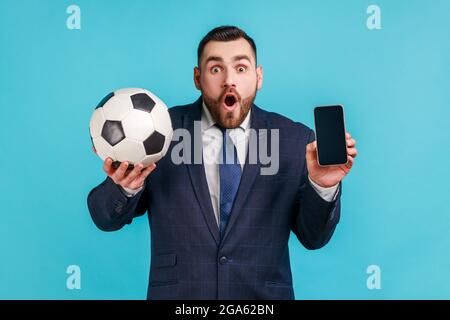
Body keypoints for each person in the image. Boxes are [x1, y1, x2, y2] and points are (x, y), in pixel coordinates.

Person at [87, 25, 357, 300]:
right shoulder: (156, 132)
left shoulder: (294, 140)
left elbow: (314, 238)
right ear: (197, 77)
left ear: (258, 76)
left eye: (241, 68)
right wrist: (124, 188)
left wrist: (322, 187)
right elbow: (105, 218)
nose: (229, 80)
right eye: (216, 69)